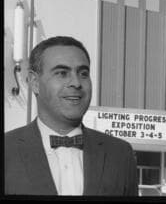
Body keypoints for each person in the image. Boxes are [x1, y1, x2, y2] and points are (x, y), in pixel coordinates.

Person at [5, 36, 138, 196]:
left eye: (83, 73)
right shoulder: (7, 150)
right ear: (34, 82)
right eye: (62, 73)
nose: (76, 82)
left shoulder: (120, 153)